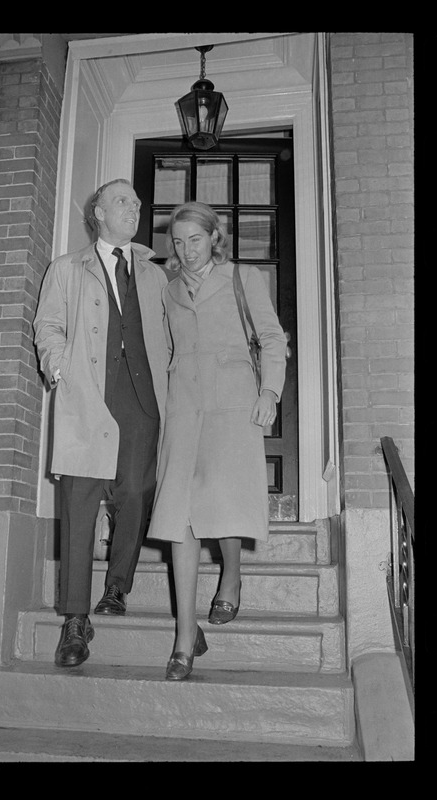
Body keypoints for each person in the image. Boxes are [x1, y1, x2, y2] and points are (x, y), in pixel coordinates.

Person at [146, 201, 287, 681]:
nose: (187, 250)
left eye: (196, 240)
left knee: (223, 504)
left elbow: (272, 338)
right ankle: (185, 638)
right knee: (178, 516)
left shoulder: (244, 279)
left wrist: (270, 390)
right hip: (182, 408)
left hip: (233, 403)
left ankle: (232, 573)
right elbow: (162, 351)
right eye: (179, 242)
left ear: (215, 239)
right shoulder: (168, 291)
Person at [33, 179, 169, 667]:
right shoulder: (67, 268)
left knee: (134, 493)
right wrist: (58, 365)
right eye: (122, 202)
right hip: (87, 397)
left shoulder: (154, 273)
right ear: (98, 212)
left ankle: (117, 586)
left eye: (136, 202)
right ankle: (74, 619)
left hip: (142, 401)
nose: (134, 208)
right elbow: (47, 324)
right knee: (80, 501)